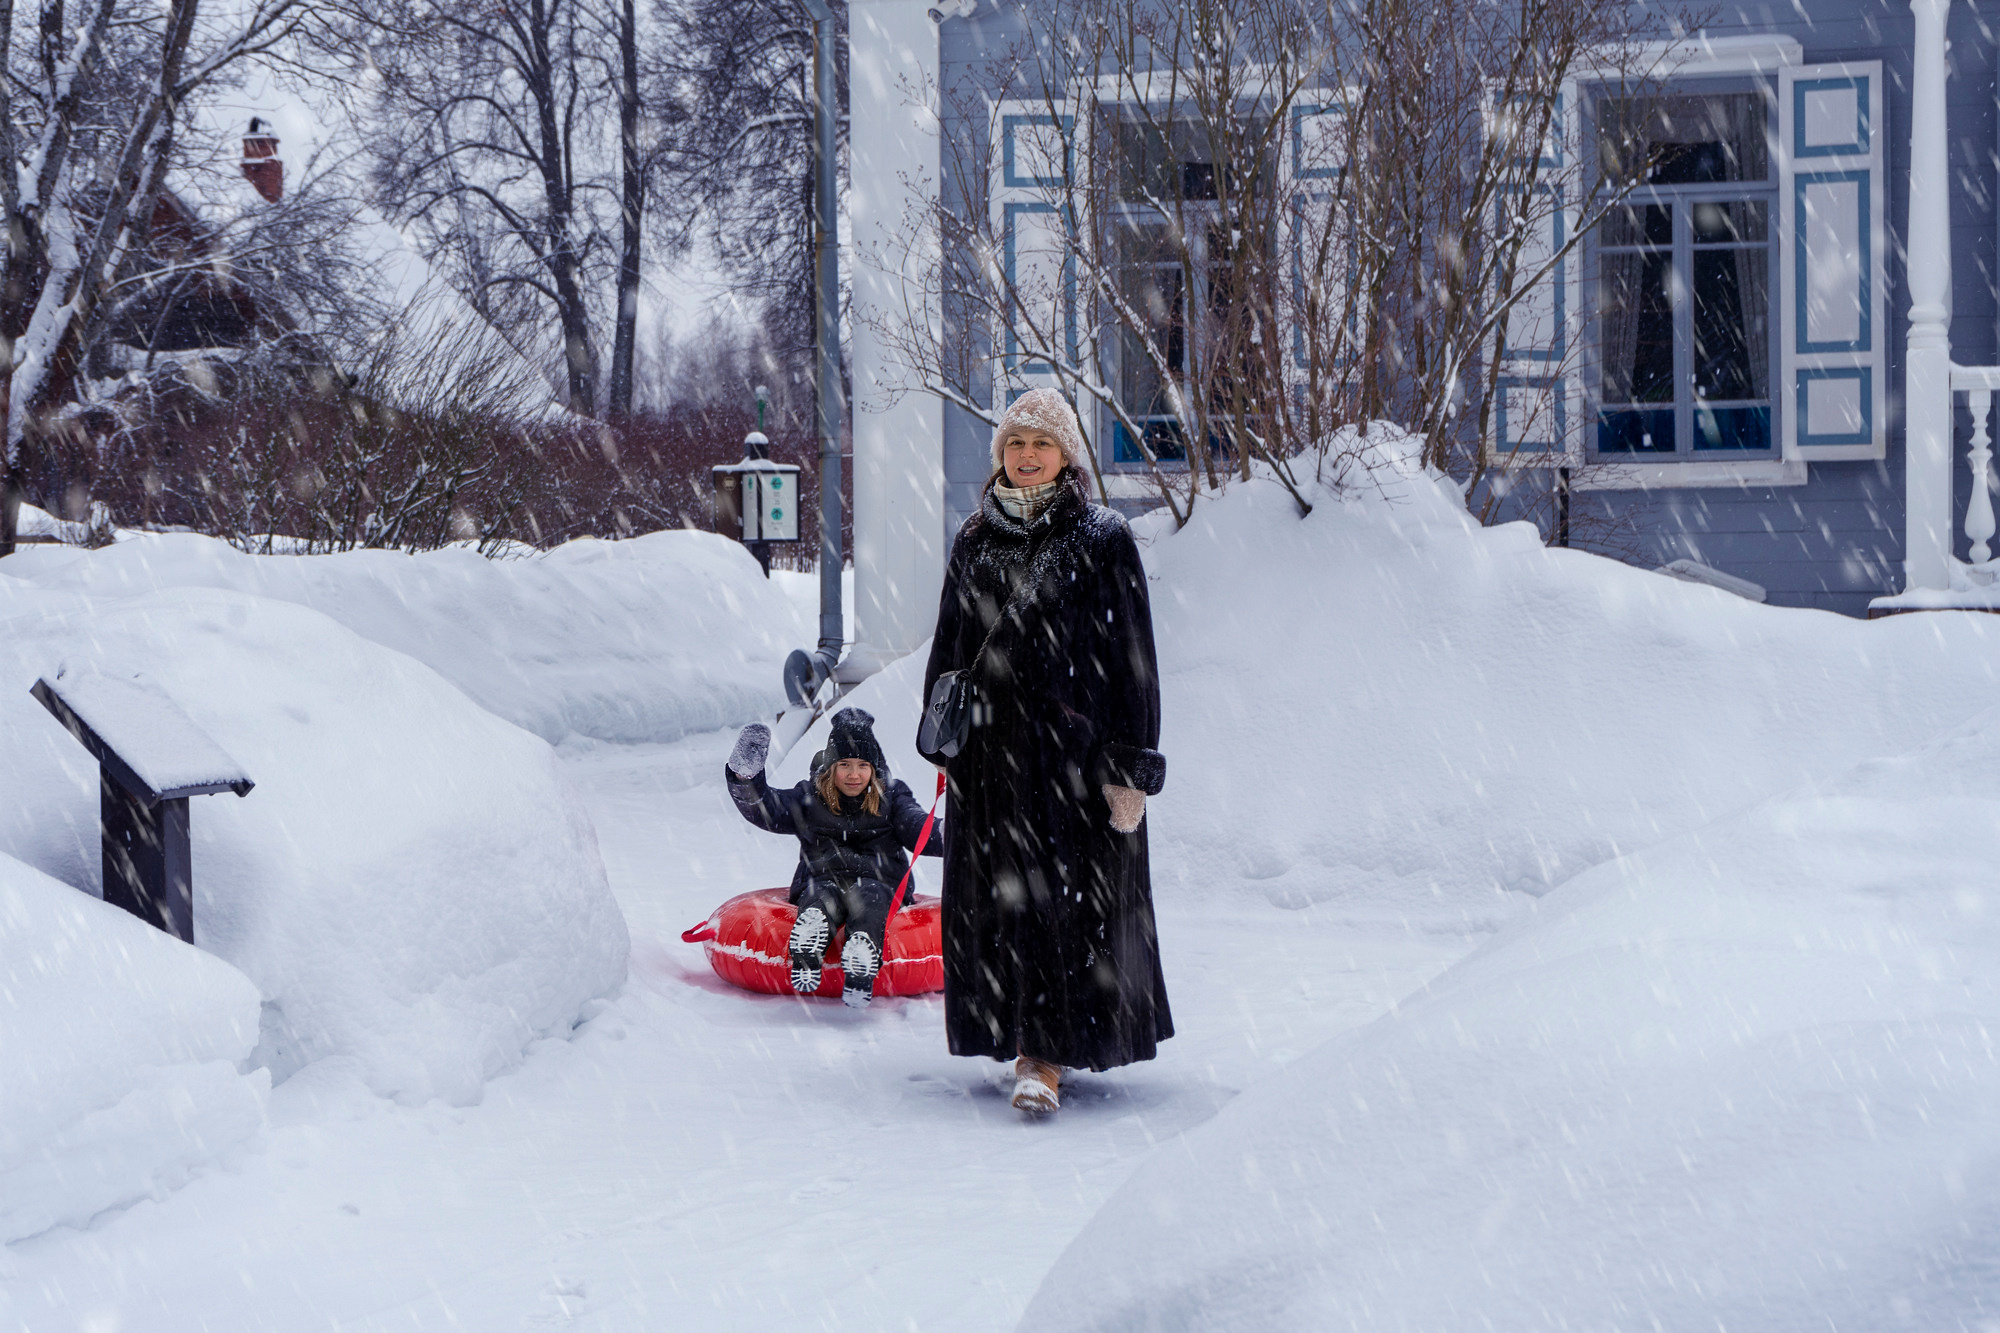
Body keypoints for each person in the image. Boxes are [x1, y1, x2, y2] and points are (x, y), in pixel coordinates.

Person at [919, 387, 1170, 1116]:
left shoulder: (1102, 538)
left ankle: (1046, 1054)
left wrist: (1130, 767)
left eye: (1043, 444)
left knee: (1067, 909)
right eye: (1016, 444)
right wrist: (946, 737)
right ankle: (1020, 1034)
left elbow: (1133, 661)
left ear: (1066, 457)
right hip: (993, 768)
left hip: (1073, 768)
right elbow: (950, 651)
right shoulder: (974, 538)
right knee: (1004, 908)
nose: (1027, 456)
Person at [724, 708, 942, 1007]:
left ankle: (860, 957)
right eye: (845, 764)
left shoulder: (892, 798)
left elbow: (918, 828)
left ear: (874, 768)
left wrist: (955, 830)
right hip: (823, 877)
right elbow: (766, 808)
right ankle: (808, 944)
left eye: (863, 765)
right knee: (821, 896)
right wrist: (745, 777)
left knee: (870, 896)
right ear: (831, 767)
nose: (854, 774)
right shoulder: (811, 797)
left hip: (880, 881)